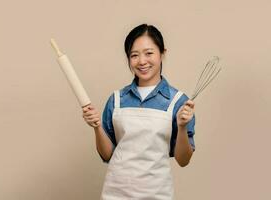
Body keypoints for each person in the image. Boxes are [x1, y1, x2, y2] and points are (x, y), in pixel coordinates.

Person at [82, 24, 195, 200]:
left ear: (162, 53)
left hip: (157, 194)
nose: (142, 61)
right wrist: (96, 126)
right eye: (134, 55)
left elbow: (183, 160)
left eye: (149, 53)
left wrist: (181, 127)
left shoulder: (178, 101)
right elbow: (107, 155)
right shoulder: (117, 99)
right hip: (115, 193)